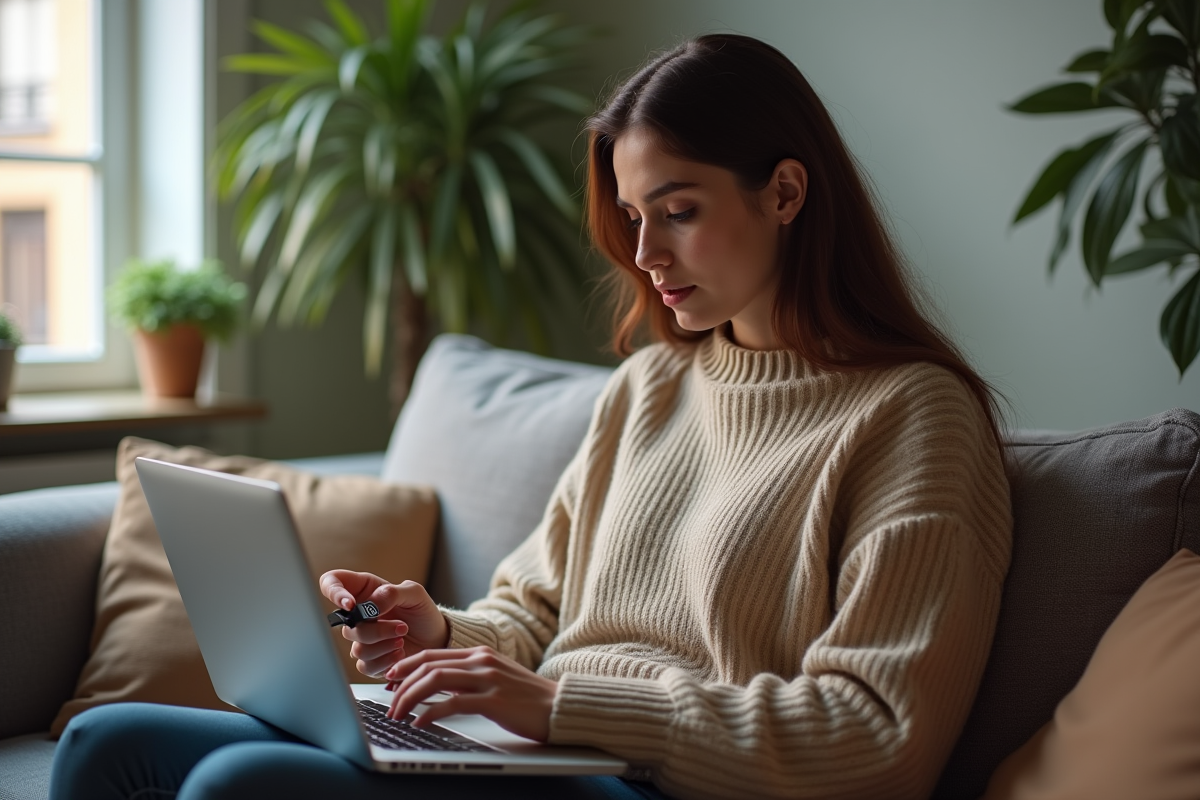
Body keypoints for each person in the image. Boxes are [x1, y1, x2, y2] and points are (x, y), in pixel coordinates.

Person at [50, 33, 1011, 800]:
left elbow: (878, 740)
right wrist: (436, 636)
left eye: (676, 210)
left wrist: (566, 708)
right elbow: (533, 614)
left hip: (652, 780)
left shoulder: (913, 417)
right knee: (106, 740)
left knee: (240, 782)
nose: (645, 253)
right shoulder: (649, 389)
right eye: (634, 218)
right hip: (545, 745)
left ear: (786, 192)